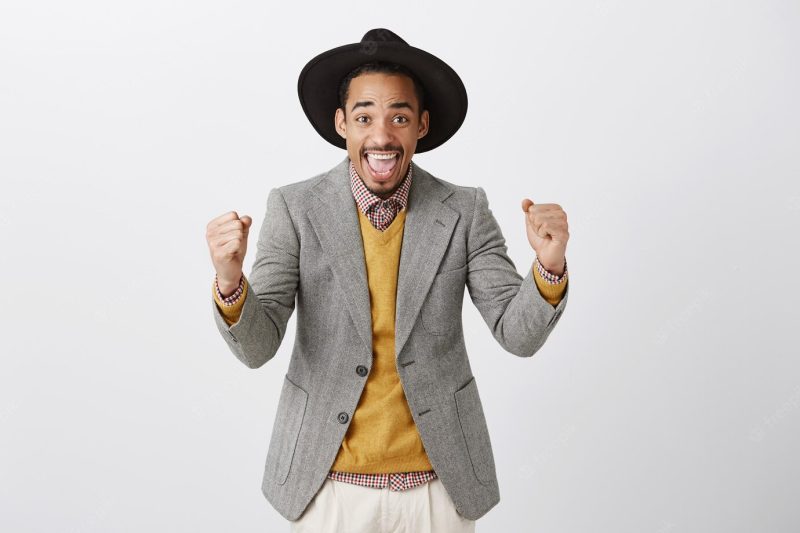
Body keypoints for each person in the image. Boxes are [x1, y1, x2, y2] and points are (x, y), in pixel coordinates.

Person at [205, 28, 570, 532]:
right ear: (342, 125)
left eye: (399, 117)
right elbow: (257, 347)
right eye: (364, 117)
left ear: (421, 125)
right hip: (324, 487)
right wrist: (229, 280)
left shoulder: (464, 211)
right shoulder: (294, 208)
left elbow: (518, 333)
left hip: (439, 489)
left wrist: (548, 266)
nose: (381, 135)